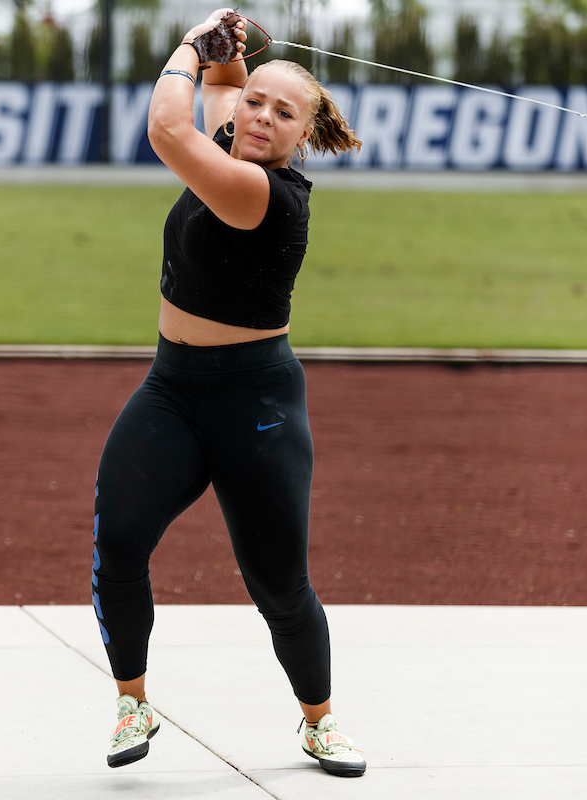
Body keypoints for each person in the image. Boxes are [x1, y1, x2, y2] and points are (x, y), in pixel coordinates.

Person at [89, 8, 365, 778]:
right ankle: (132, 701)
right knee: (119, 543)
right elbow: (217, 94)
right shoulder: (229, 136)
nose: (262, 118)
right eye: (257, 103)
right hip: (172, 388)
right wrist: (227, 52)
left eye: (284, 113)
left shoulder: (265, 197)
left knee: (279, 585)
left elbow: (165, 129)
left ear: (303, 136)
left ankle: (319, 721)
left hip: (257, 404)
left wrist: (189, 40)